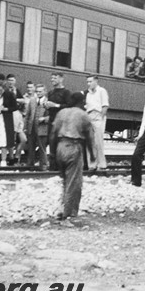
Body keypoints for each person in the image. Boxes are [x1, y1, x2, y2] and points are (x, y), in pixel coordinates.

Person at [49, 92, 94, 222]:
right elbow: (90, 137)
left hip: (60, 147)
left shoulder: (61, 113)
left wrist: (52, 154)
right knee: (74, 183)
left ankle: (62, 208)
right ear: (82, 102)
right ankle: (68, 214)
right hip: (74, 147)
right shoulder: (83, 115)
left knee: (64, 182)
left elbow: (52, 134)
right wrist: (92, 156)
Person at [45, 72, 71, 171]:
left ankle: (62, 167)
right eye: (51, 78)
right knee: (52, 144)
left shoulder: (66, 92)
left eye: (55, 78)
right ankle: (53, 167)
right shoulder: (51, 92)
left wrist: (55, 105)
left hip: (62, 123)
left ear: (61, 79)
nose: (52, 80)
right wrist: (46, 105)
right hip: (52, 121)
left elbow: (69, 106)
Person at [85, 75, 110, 171]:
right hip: (89, 117)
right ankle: (92, 164)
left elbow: (105, 106)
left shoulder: (102, 91)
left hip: (98, 117)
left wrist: (101, 119)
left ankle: (102, 164)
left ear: (96, 81)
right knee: (90, 142)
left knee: (98, 142)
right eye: (87, 82)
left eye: (90, 81)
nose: (88, 84)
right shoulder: (88, 94)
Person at [29, 84, 49, 170]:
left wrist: (44, 119)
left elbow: (52, 116)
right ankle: (30, 165)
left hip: (42, 127)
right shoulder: (32, 100)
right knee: (31, 147)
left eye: (40, 91)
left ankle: (43, 165)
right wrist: (26, 127)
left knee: (42, 148)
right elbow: (28, 115)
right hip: (32, 127)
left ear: (45, 92)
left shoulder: (48, 102)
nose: (38, 93)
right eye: (37, 91)